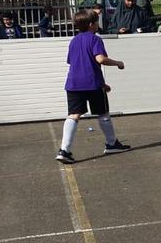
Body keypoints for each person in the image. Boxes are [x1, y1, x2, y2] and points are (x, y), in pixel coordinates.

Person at [55, 9, 131, 164]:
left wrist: (103, 83)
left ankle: (64, 150)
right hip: (92, 84)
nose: (98, 24)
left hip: (74, 84)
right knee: (103, 114)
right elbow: (100, 59)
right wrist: (118, 63)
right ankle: (111, 144)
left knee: (74, 115)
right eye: (96, 21)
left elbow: (77, 64)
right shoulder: (95, 39)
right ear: (91, 25)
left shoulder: (74, 41)